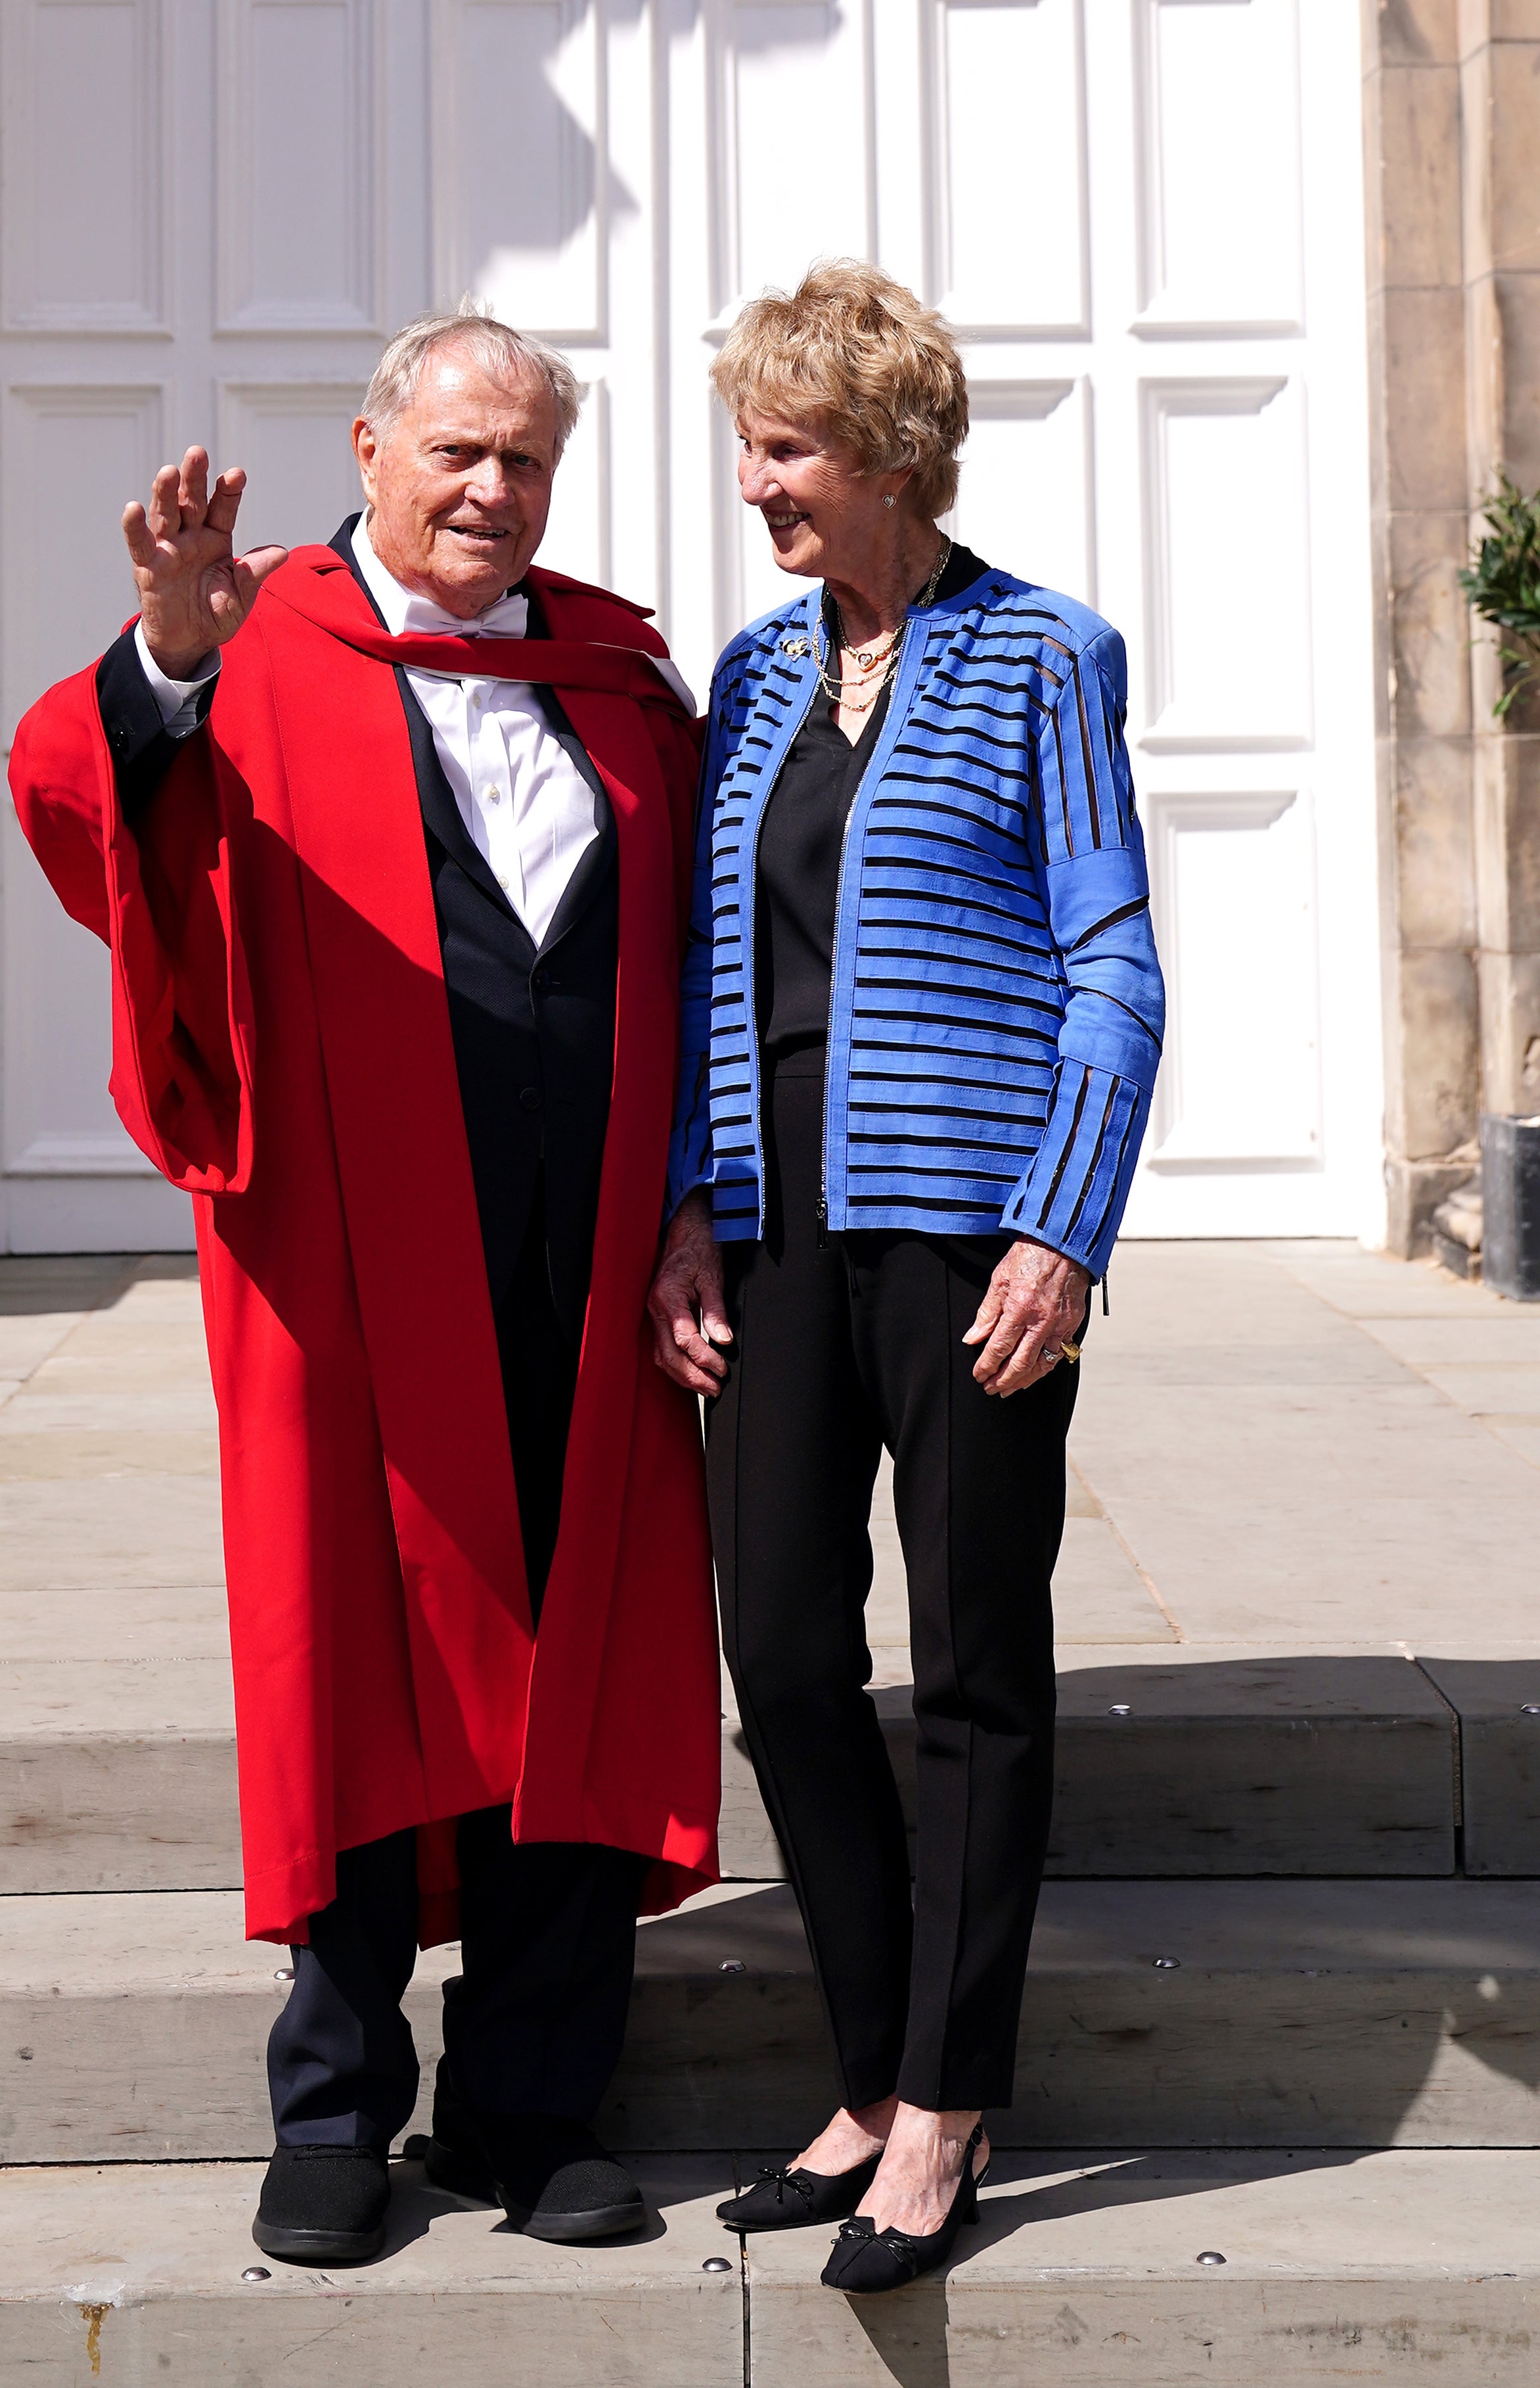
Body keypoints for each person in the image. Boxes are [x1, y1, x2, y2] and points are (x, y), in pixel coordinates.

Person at [11, 306, 719, 2267]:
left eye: (527, 463)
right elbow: (93, 816)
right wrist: (166, 650)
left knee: (572, 1641)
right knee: (352, 1649)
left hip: (585, 1269)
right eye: (459, 454)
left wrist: (694, 1206)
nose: (493, 491)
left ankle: (531, 2104)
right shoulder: (261, 647)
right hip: (349, 1254)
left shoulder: (621, 675)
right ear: (370, 444)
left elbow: (707, 952)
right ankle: (333, 2110)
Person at [647, 261, 1164, 2296]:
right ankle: (866, 2066)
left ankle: (944, 2101)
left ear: (886, 453)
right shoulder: (759, 681)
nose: (756, 485)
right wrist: (693, 1202)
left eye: (783, 449)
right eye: (751, 447)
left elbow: (1111, 961)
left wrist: (1067, 1222)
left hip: (970, 1250)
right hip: (774, 1242)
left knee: (972, 1667)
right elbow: (718, 970)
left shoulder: (1047, 656)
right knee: (779, 1648)